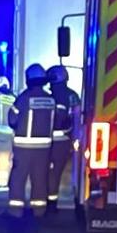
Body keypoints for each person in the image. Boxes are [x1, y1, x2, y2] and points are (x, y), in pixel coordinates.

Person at [7, 64, 58, 217]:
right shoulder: (50, 99)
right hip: (44, 148)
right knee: (40, 178)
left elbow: (12, 119)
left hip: (23, 147)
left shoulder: (23, 98)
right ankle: (39, 210)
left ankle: (15, 210)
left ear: (29, 79)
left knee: (18, 178)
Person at [44, 65, 81, 209]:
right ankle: (52, 203)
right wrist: (76, 139)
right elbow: (77, 120)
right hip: (63, 141)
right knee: (56, 173)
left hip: (45, 142)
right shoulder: (72, 96)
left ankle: (42, 201)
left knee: (43, 171)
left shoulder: (47, 96)